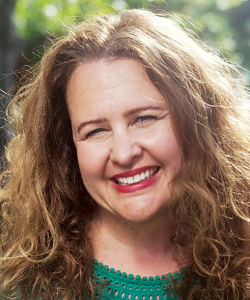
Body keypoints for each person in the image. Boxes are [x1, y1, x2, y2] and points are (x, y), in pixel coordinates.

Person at [0, 8, 250, 300]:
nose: (123, 153)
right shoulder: (18, 284)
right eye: (95, 131)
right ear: (67, 149)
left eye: (143, 119)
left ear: (198, 121)